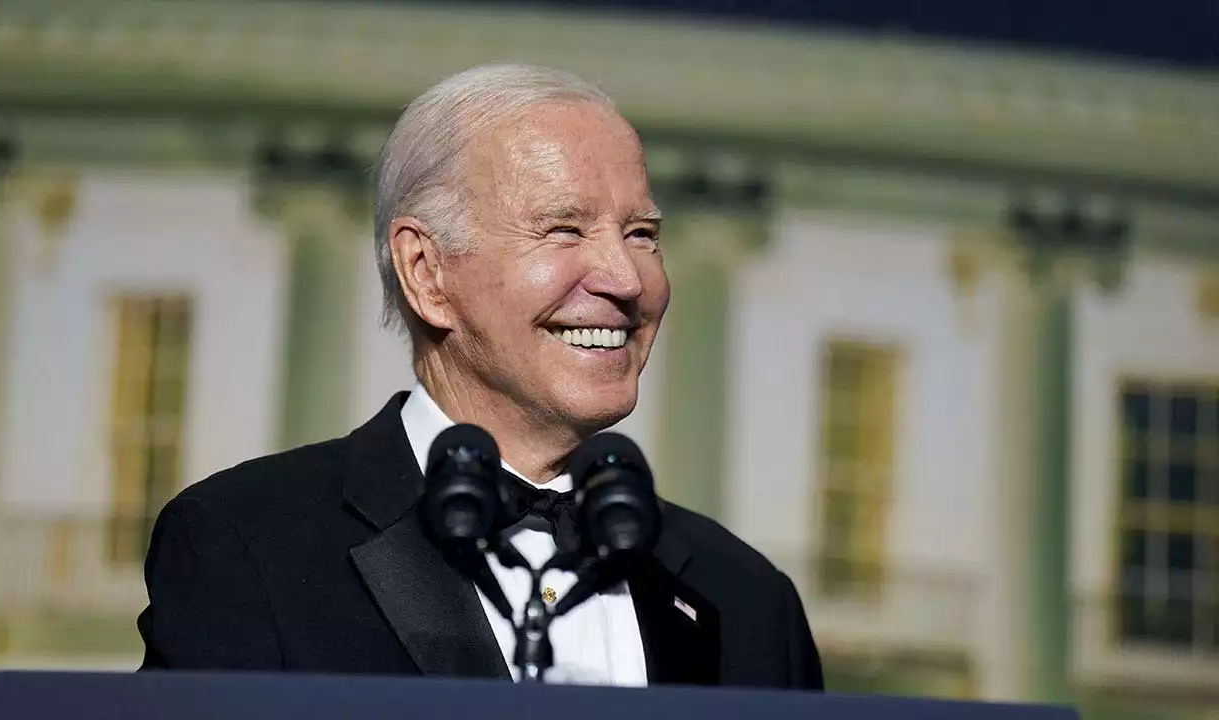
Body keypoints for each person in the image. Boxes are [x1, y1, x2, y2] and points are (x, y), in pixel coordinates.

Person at [137, 63, 823, 689]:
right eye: (564, 230)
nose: (626, 278)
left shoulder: (750, 600)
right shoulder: (246, 545)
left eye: (642, 234)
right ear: (427, 273)